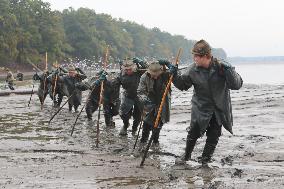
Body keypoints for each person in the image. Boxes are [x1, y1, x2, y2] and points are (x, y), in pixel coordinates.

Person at [170, 39, 243, 165]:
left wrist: (230, 71)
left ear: (205, 56)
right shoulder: (193, 69)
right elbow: (183, 85)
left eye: (196, 56)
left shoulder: (221, 67)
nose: (194, 58)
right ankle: (186, 156)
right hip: (201, 107)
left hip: (219, 108)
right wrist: (174, 75)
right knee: (193, 132)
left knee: (214, 135)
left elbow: (237, 85)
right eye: (194, 55)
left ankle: (205, 159)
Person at [137, 60, 171, 148]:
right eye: (153, 75)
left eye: (157, 75)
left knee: (158, 124)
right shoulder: (144, 77)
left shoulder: (166, 75)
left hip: (163, 102)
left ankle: (155, 141)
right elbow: (140, 92)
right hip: (149, 102)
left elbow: (176, 75)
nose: (155, 77)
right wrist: (145, 99)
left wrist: (169, 65)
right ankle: (143, 141)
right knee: (146, 123)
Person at [114, 58, 147, 135]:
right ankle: (125, 125)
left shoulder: (139, 72)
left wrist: (141, 62)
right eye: (126, 70)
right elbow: (115, 85)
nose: (128, 71)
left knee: (138, 115)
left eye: (130, 69)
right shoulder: (121, 75)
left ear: (133, 68)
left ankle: (134, 129)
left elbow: (148, 69)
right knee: (123, 113)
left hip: (139, 96)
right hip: (128, 96)